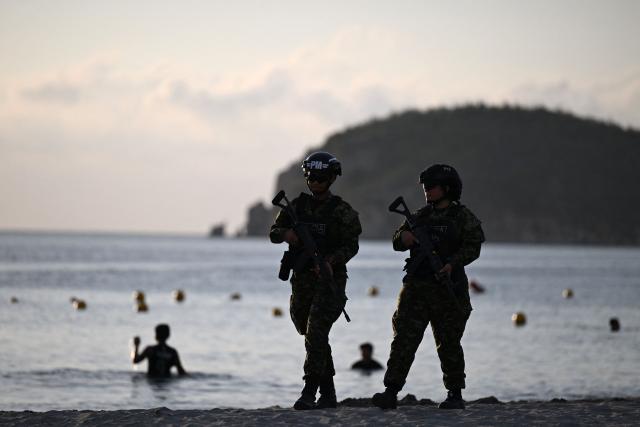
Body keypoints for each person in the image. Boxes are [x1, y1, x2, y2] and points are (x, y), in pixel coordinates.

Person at [372, 164, 484, 410]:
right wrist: (405, 238)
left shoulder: (462, 217)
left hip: (447, 288)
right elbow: (396, 241)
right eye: (424, 187)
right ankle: (391, 391)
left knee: (449, 342)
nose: (427, 191)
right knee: (403, 340)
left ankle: (455, 394)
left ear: (447, 188)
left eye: (431, 187)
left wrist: (452, 264)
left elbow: (473, 246)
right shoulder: (419, 217)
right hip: (416, 289)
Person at [270, 151, 362, 410]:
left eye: (321, 178)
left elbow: (351, 245)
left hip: (329, 281)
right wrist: (287, 233)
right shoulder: (296, 206)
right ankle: (329, 394)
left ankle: (309, 390)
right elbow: (274, 233)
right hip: (301, 281)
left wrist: (332, 261)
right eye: (312, 177)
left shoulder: (342, 212)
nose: (316, 182)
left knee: (316, 332)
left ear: (332, 178)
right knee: (309, 333)